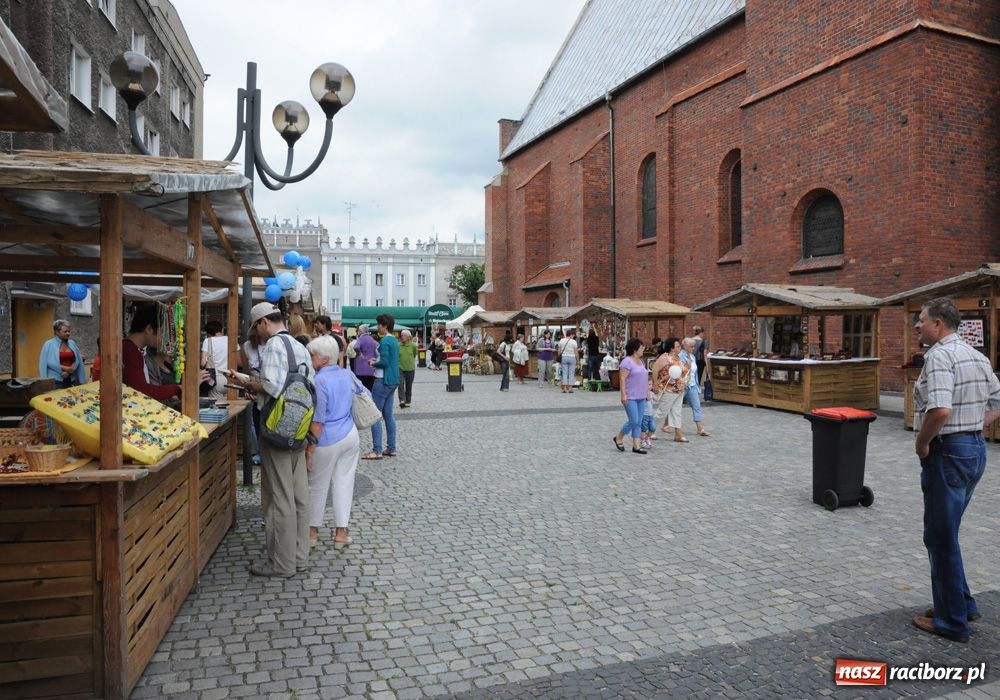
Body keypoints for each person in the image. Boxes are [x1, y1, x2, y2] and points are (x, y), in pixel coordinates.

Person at [911, 297, 1000, 642]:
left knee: (939, 536)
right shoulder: (976, 356)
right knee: (946, 533)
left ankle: (951, 621)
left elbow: (941, 410)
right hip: (974, 450)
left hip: (948, 452)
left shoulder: (940, 356)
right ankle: (962, 602)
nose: (917, 326)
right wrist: (977, 426)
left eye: (921, 320)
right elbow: (997, 399)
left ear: (938, 324)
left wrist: (922, 443)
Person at [231, 302, 313, 578]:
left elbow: (271, 387)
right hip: (298, 428)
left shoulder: (275, 347)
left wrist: (247, 383)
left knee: (279, 499)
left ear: (264, 322)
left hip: (276, 430)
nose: (257, 334)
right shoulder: (300, 346)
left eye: (256, 328)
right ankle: (300, 558)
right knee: (300, 495)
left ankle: (282, 563)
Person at [305, 335, 359, 548]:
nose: (310, 359)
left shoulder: (318, 381)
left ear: (324, 359)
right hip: (349, 434)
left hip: (327, 438)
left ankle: (311, 534)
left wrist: (310, 450)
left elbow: (318, 420)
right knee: (345, 483)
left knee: (317, 485)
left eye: (312, 356)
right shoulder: (347, 374)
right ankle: (340, 533)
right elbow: (364, 394)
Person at [122, 305, 181, 402]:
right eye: (162, 332)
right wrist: (177, 388)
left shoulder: (133, 349)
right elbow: (141, 391)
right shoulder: (130, 351)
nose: (165, 339)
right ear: (149, 329)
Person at [363, 313, 400, 460]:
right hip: (393, 380)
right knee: (388, 415)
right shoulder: (394, 340)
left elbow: (384, 362)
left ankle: (377, 450)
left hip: (382, 380)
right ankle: (391, 448)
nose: (378, 326)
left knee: (375, 416)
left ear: (384, 325)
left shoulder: (384, 341)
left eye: (379, 324)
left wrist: (373, 363)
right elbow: (389, 360)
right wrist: (377, 360)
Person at [614, 338, 649, 454]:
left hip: (641, 396)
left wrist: (648, 392)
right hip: (630, 396)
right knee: (633, 420)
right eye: (641, 348)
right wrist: (623, 395)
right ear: (635, 350)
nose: (643, 350)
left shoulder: (642, 361)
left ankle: (636, 446)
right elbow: (622, 379)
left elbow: (645, 378)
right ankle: (619, 437)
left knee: (638, 421)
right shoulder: (626, 362)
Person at [652, 337, 689, 443]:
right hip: (668, 389)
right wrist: (655, 385)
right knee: (662, 412)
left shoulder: (677, 358)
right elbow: (655, 369)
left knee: (677, 412)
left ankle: (678, 434)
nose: (680, 348)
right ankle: (649, 430)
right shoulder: (665, 357)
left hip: (679, 389)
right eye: (678, 346)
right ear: (672, 348)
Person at [39, 319, 86, 388]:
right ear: (57, 332)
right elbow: (45, 363)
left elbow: (77, 359)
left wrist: (69, 371)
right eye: (65, 331)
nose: (68, 333)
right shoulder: (48, 344)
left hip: (71, 379)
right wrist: (64, 368)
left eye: (68, 331)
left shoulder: (72, 343)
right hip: (55, 381)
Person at [680, 337, 710, 437]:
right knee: (674, 406)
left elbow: (694, 372)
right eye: (691, 346)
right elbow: (679, 371)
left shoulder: (692, 356)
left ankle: (700, 428)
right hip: (682, 385)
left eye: (694, 346)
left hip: (692, 385)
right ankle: (665, 424)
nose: (693, 348)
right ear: (684, 346)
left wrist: (696, 384)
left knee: (696, 406)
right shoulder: (680, 356)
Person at [200, 320, 228, 400]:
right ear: (222, 330)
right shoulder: (231, 340)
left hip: (216, 379)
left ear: (209, 333)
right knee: (232, 407)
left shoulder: (207, 341)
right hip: (231, 378)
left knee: (217, 408)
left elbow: (203, 363)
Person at [353, 324, 379, 390]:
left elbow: (356, 347)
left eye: (358, 331)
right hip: (371, 367)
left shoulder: (361, 338)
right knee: (370, 387)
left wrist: (359, 354)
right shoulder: (372, 339)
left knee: (362, 388)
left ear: (361, 331)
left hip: (361, 367)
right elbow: (378, 346)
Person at [398, 330, 417, 408]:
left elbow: (414, 354)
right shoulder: (398, 345)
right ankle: (402, 400)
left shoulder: (413, 346)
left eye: (404, 335)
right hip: (400, 368)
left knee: (409, 385)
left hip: (410, 368)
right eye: (402, 335)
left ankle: (408, 400)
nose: (402, 337)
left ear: (409, 337)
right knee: (400, 384)